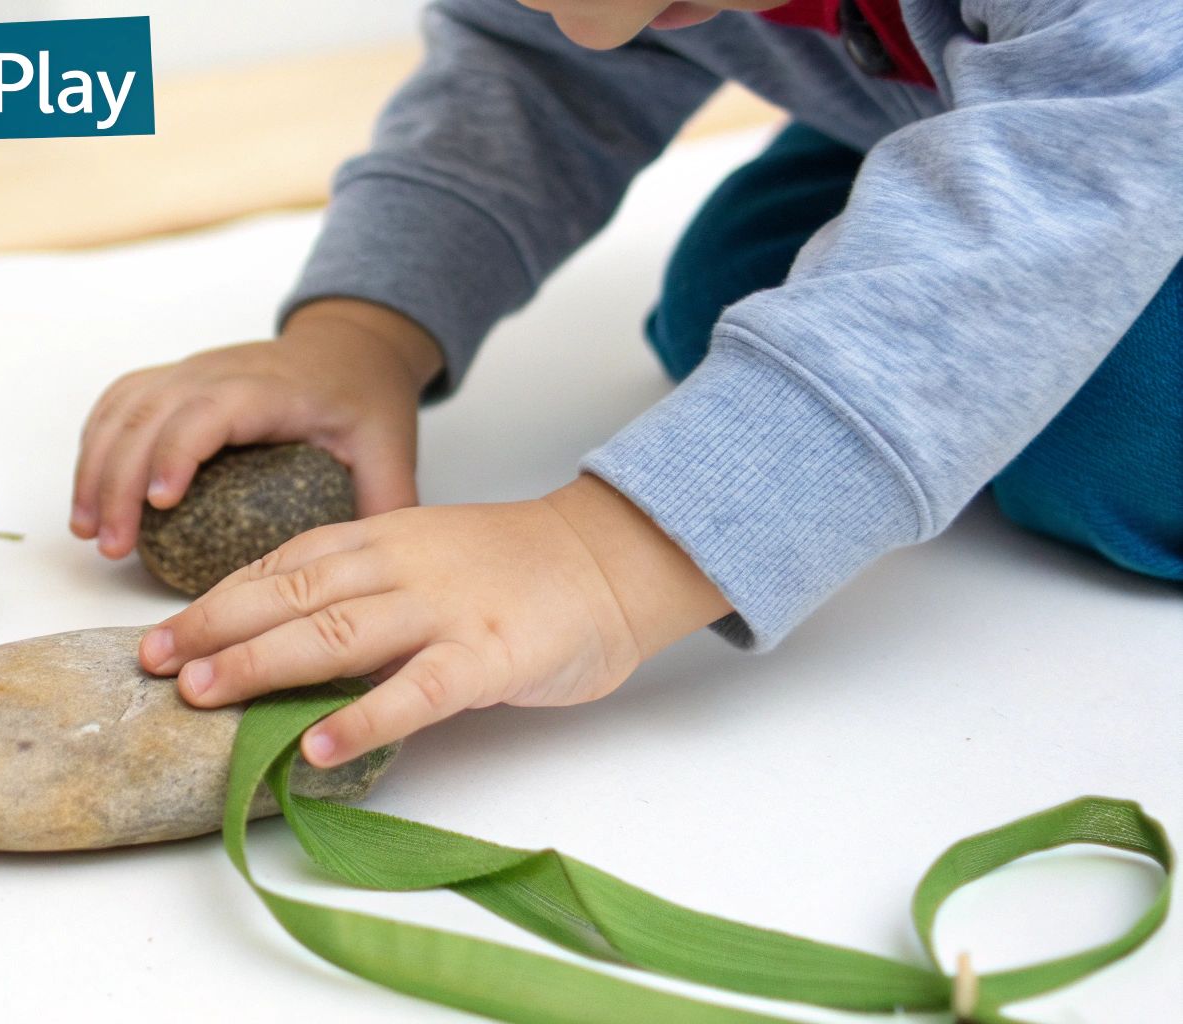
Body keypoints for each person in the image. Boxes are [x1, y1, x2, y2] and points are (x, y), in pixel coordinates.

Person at [71, 0, 1183, 769]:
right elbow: (538, 70)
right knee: (732, 288)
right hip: (1024, 111)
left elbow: (1066, 171)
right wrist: (359, 331)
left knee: (1126, 431)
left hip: (1122, 121)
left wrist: (608, 556)